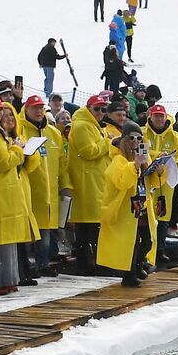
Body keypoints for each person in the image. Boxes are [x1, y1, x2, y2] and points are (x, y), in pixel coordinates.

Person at [0, 94, 36, 295]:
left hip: (8, 190)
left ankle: (9, 278)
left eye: (0, 109)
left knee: (8, 238)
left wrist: (16, 151)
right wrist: (18, 150)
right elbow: (2, 162)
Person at [98, 121, 161, 285]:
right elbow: (122, 182)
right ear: (124, 139)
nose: (136, 141)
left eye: (139, 138)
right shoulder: (118, 160)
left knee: (147, 240)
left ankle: (139, 264)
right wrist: (135, 165)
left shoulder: (141, 156)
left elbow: (151, 182)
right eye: (131, 138)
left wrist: (157, 170)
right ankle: (129, 274)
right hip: (127, 208)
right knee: (131, 242)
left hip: (141, 205)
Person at [18, 94, 68, 275]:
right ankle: (24, 266)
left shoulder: (53, 133)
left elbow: (62, 163)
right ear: (26, 110)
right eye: (34, 108)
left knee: (46, 231)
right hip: (30, 188)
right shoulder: (21, 130)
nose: (38, 111)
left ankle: (43, 263)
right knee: (26, 232)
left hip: (50, 191)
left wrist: (65, 185)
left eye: (40, 108)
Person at [66, 95, 109, 275]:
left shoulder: (94, 126)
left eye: (103, 109)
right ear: (88, 108)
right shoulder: (82, 126)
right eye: (97, 109)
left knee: (91, 226)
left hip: (95, 180)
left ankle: (90, 262)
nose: (100, 113)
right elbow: (88, 151)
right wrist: (107, 141)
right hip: (87, 182)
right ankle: (86, 263)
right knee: (87, 227)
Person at [142, 104, 178, 265]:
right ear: (151, 117)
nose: (159, 119)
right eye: (156, 116)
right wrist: (156, 156)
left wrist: (170, 161)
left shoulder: (175, 136)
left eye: (162, 116)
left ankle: (160, 249)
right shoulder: (143, 133)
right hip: (148, 181)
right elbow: (141, 152)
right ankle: (146, 250)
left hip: (166, 183)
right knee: (147, 216)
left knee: (162, 215)